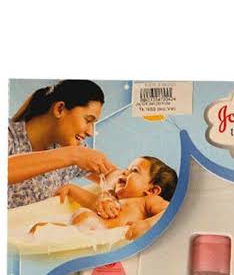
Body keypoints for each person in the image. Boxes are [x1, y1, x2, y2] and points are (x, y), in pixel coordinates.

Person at [8, 80, 117, 208]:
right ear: (59, 109)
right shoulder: (9, 134)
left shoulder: (69, 147)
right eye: (88, 120)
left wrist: (108, 194)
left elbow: (113, 175)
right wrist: (73, 155)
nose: (90, 132)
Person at [31, 157, 178, 241]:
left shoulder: (149, 201)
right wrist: (71, 189)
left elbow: (171, 211)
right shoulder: (111, 199)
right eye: (127, 169)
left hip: (95, 237)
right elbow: (92, 202)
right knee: (37, 228)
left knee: (40, 233)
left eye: (134, 171)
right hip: (79, 231)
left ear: (152, 190)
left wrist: (147, 224)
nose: (124, 172)